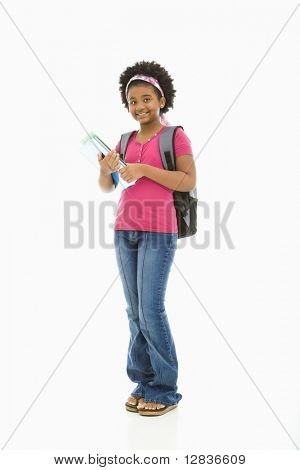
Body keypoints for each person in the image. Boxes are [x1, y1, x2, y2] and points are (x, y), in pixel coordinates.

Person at [97, 60, 196, 416]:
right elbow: (109, 186)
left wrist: (145, 170)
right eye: (132, 101)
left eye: (146, 99)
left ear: (161, 99)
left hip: (159, 231)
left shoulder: (175, 136)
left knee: (151, 309)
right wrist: (105, 170)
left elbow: (187, 180)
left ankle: (165, 389)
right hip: (126, 229)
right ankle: (143, 381)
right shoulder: (123, 140)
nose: (139, 107)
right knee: (134, 310)